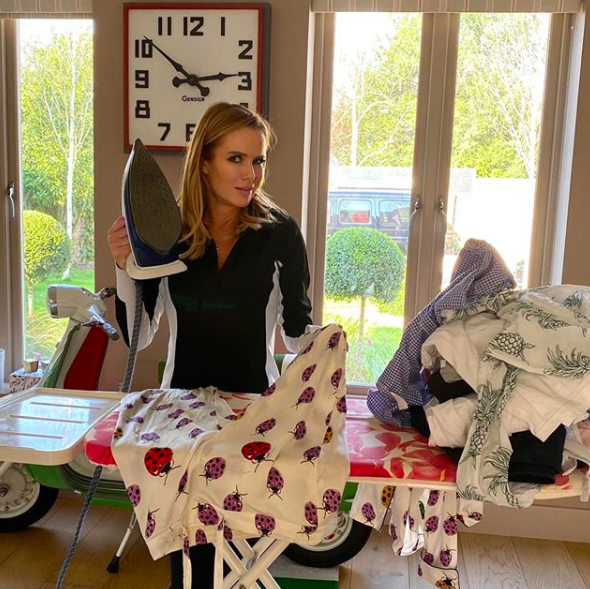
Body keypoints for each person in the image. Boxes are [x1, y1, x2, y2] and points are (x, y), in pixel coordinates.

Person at [107, 102, 316, 589]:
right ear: (205, 160)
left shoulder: (280, 234)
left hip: (250, 409)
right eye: (237, 159)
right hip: (181, 408)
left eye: (258, 160)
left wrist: (325, 352)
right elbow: (140, 333)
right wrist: (125, 266)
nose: (251, 174)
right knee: (193, 558)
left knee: (230, 553)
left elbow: (296, 331)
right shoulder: (168, 232)